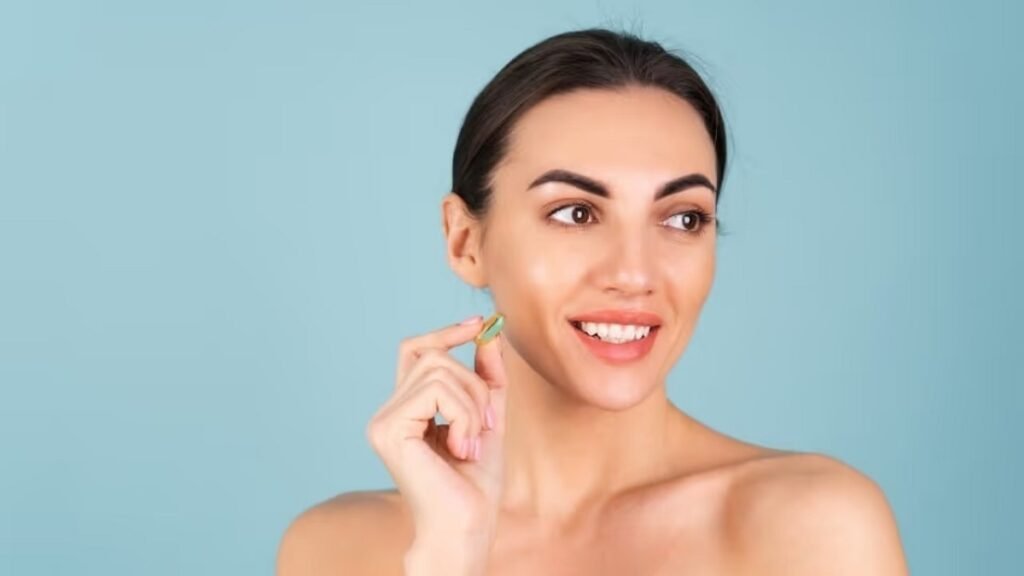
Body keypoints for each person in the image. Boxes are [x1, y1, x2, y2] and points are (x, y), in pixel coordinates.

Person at [276, 27, 909, 575]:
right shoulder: (336, 549)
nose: (634, 274)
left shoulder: (813, 526)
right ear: (465, 241)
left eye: (683, 218)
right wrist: (449, 554)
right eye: (576, 213)